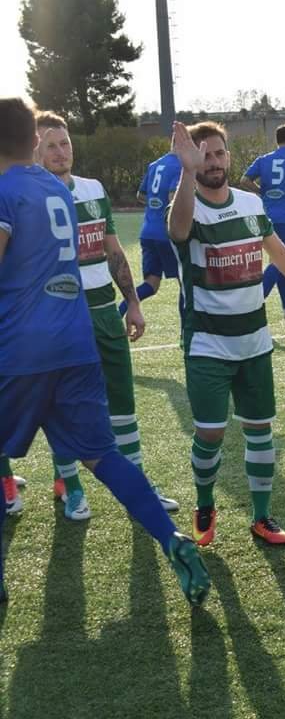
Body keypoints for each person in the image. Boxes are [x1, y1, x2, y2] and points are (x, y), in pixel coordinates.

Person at [0, 97, 210, 607]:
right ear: (34, 140)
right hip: (75, 342)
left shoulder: (4, 191)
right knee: (101, 453)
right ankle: (170, 537)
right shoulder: (56, 188)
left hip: (22, 348)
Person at [167, 121, 285, 548]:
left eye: (218, 154)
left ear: (229, 156)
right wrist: (187, 170)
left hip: (255, 342)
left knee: (260, 429)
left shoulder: (251, 203)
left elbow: (279, 254)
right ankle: (205, 504)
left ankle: (262, 516)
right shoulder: (187, 205)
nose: (212, 162)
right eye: (204, 156)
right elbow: (178, 231)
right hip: (207, 344)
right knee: (210, 433)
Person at [34, 111, 179, 520]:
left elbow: (113, 250)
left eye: (65, 143)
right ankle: (72, 489)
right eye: (50, 145)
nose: (60, 152)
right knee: (62, 408)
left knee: (123, 405)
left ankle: (137, 489)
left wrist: (132, 302)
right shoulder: (26, 198)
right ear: (35, 151)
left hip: (103, 313)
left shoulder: (93, 189)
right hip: (58, 320)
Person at [240, 124, 285, 322]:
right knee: (281, 260)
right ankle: (255, 303)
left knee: (278, 259)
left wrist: (261, 192)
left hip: (265, 216)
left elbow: (244, 180)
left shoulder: (264, 159)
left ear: (276, 140)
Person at [122, 151, 182, 323]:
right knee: (186, 284)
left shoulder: (155, 164)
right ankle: (186, 331)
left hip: (148, 232)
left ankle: (120, 310)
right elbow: (173, 197)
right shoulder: (180, 166)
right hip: (167, 234)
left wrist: (155, 204)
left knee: (151, 284)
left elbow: (141, 195)